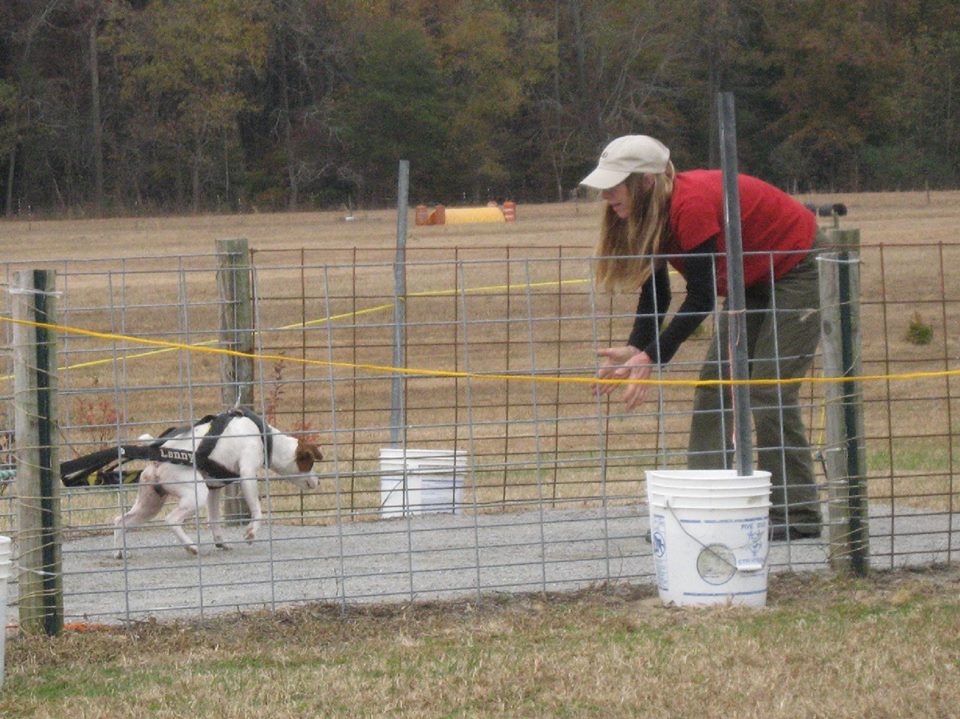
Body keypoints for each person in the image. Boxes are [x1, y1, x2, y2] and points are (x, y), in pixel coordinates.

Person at [580, 134, 824, 541]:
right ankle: (705, 508)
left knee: (769, 389)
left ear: (646, 182)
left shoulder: (689, 205)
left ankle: (797, 514)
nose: (607, 195)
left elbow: (702, 294)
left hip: (795, 267)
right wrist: (639, 346)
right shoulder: (650, 213)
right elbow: (656, 288)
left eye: (615, 185)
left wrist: (654, 356)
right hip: (750, 280)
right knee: (714, 387)